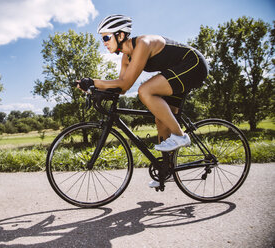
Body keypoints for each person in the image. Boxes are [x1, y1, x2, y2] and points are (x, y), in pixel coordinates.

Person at [78, 14, 208, 188]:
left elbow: (126, 83)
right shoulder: (126, 57)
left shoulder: (142, 44)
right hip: (177, 71)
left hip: (194, 65)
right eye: (103, 39)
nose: (105, 42)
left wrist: (94, 81)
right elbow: (122, 88)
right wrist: (95, 88)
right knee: (160, 118)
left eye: (107, 37)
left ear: (121, 35)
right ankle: (166, 170)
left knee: (145, 90)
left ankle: (180, 135)